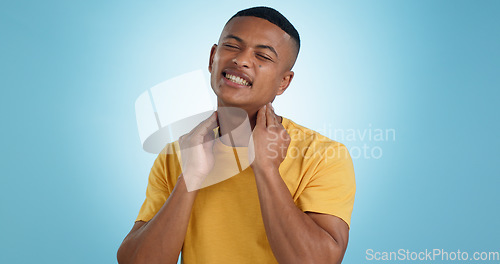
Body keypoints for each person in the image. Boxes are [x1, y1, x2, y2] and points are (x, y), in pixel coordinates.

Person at [117, 6, 355, 264]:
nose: (241, 60)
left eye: (262, 56)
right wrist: (191, 177)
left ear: (283, 82)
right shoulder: (175, 155)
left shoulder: (322, 155)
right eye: (232, 46)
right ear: (212, 58)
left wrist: (266, 168)